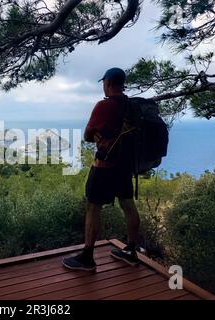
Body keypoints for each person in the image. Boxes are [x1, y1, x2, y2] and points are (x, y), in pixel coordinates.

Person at [62, 67, 141, 271]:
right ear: (122, 83)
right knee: (128, 205)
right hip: (125, 167)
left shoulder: (104, 106)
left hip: (104, 166)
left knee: (93, 207)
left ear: (107, 83)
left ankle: (87, 257)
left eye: (104, 84)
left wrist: (97, 135)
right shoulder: (132, 105)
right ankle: (131, 251)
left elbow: (88, 135)